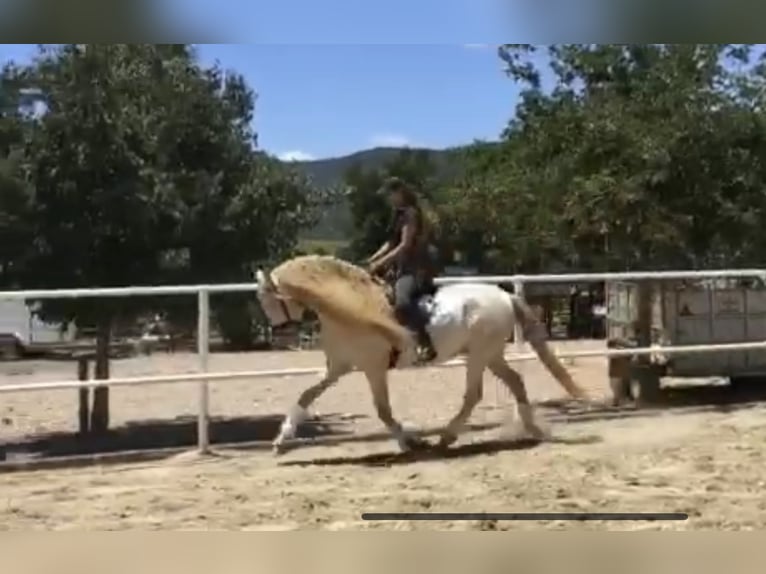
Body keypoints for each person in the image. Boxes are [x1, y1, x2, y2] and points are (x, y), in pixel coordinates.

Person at [366, 176, 437, 362]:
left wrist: (380, 264)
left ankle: (425, 342)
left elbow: (404, 245)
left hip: (415, 269)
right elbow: (390, 243)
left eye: (390, 194)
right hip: (399, 268)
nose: (388, 199)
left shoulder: (411, 214)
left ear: (399, 193)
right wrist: (372, 259)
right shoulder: (397, 215)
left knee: (402, 303)